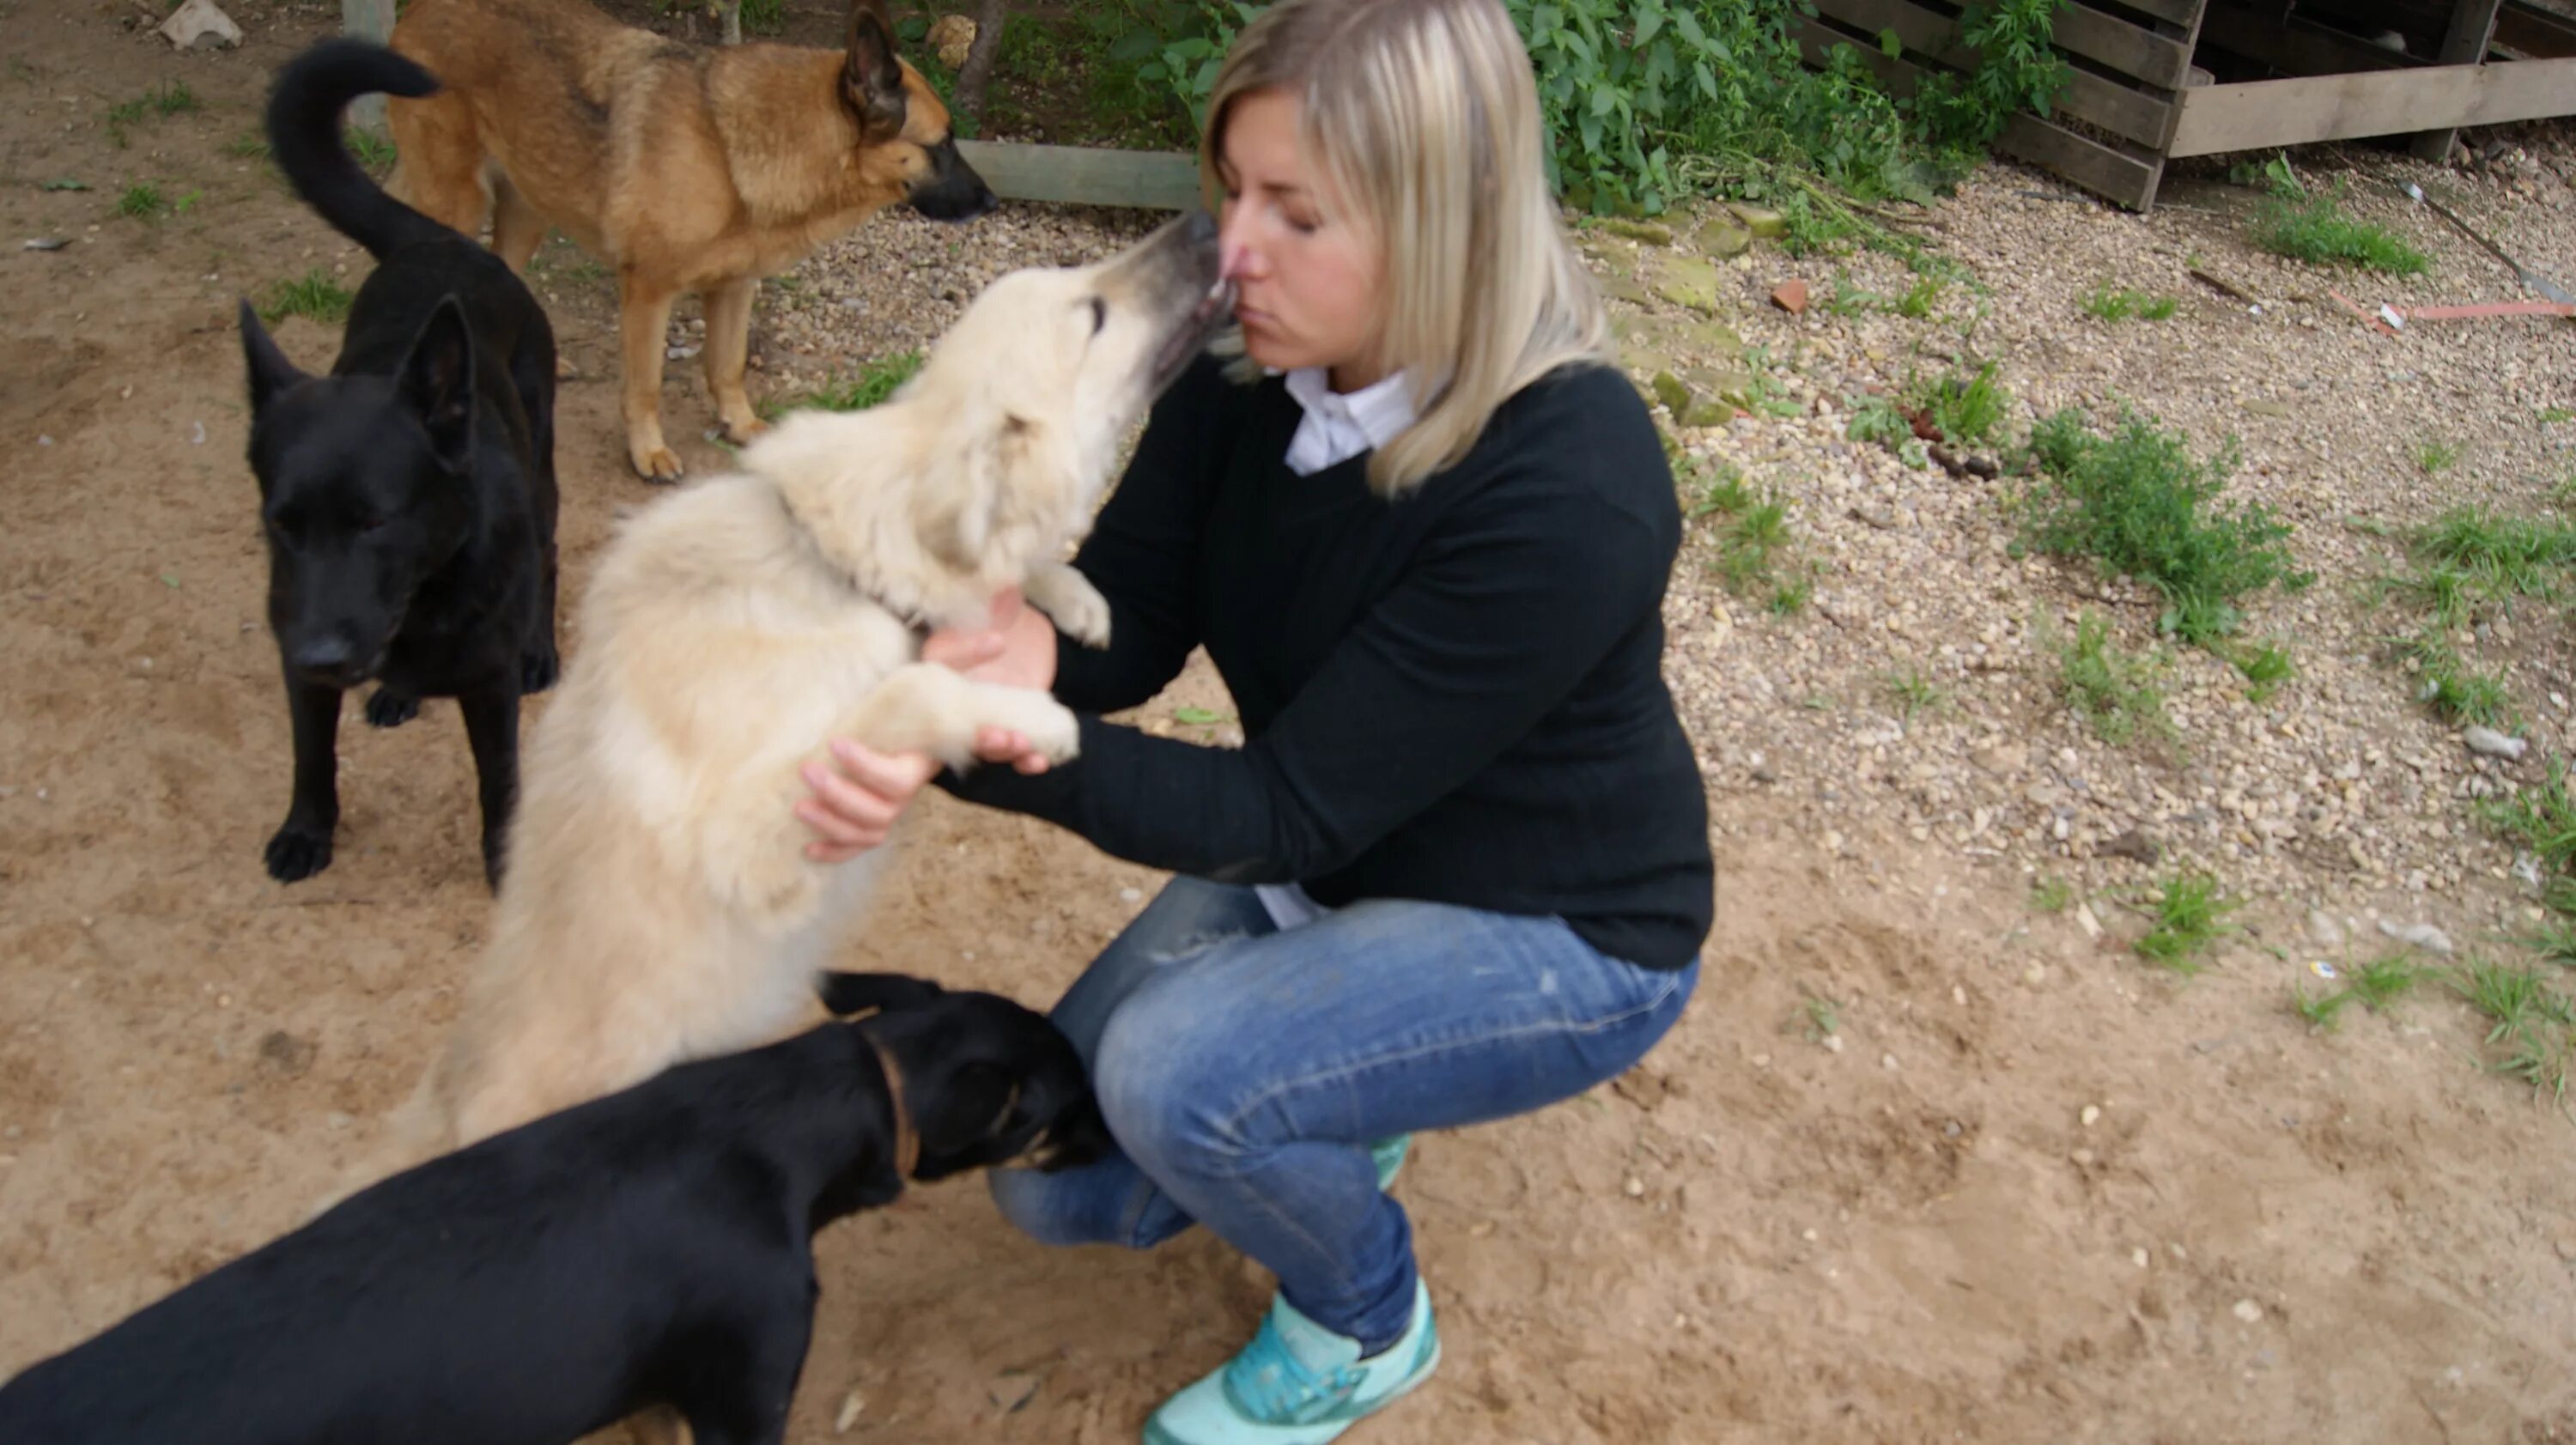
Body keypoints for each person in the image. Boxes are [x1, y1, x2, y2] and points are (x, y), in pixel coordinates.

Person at [792, 0, 1713, 1439]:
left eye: (1297, 212)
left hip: (1557, 930)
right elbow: (1138, 620)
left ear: (1444, 221)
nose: (1232, 250)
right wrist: (1010, 650)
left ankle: (1366, 1324)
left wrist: (990, 736)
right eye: (1232, 191)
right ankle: (1355, 1074)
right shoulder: (1255, 364)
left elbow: (1278, 813)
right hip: (1342, 867)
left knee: (1171, 1078)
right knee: (1060, 1185)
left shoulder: (1570, 482)